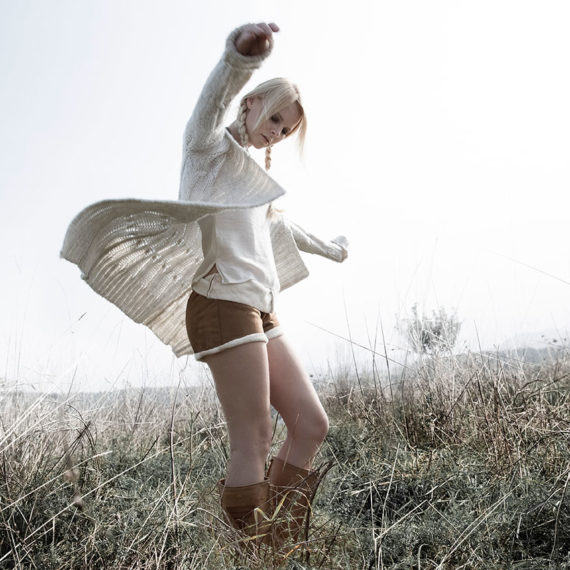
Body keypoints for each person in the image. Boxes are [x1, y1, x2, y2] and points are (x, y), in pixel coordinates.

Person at [61, 22, 348, 551]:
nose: (278, 132)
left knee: (311, 424)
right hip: (221, 302)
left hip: (260, 308)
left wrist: (333, 248)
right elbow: (210, 106)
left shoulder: (253, 182)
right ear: (251, 103)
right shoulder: (208, 151)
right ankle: (253, 551)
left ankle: (276, 539)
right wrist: (240, 60)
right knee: (254, 438)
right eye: (275, 118)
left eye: (287, 130)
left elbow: (284, 229)